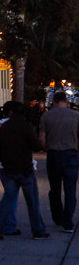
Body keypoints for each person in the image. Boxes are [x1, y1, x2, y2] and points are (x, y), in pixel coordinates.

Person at [0, 101, 49, 240]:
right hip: (25, 168)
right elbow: (36, 146)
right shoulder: (26, 127)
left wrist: (5, 162)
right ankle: (38, 230)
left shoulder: (3, 128)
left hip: (9, 169)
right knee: (32, 201)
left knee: (8, 199)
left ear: (10, 112)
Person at [39, 89, 79, 233]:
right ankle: (68, 222)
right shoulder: (76, 116)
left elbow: (42, 137)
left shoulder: (46, 116)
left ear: (55, 102)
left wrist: (46, 148)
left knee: (54, 189)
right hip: (71, 154)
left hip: (54, 155)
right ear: (66, 102)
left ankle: (57, 217)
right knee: (70, 190)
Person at [0, 101, 20, 235]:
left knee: (10, 194)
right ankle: (7, 225)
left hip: (0, 163)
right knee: (11, 196)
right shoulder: (15, 126)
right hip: (14, 164)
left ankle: (8, 224)